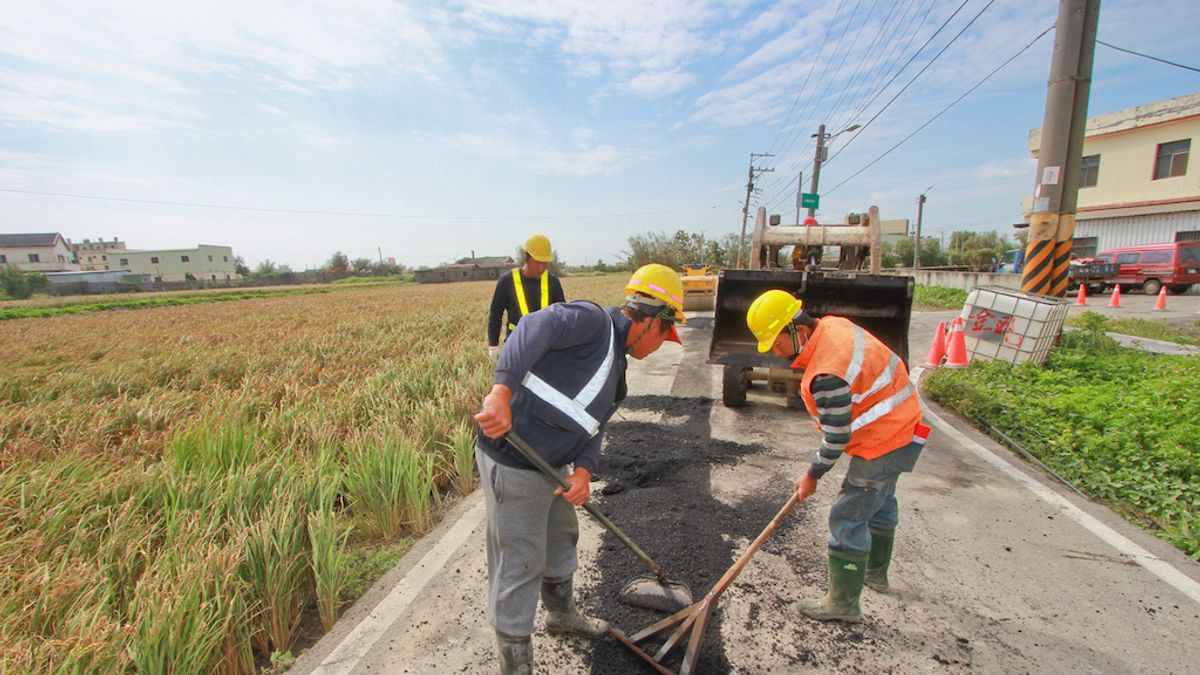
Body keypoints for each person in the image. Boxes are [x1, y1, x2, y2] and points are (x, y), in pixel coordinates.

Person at [473, 263, 686, 674]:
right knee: (520, 562)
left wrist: (584, 472)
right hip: (514, 458)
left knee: (562, 538)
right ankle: (515, 663)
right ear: (650, 319)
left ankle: (562, 615)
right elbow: (532, 326)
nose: (661, 346)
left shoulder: (618, 369)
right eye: (665, 334)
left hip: (553, 466)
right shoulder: (592, 322)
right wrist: (501, 391)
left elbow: (594, 425)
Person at [745, 289, 929, 623]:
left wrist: (811, 475)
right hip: (905, 426)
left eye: (775, 342)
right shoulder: (833, 326)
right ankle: (875, 575)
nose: (774, 351)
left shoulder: (827, 372)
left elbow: (836, 437)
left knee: (848, 515)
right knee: (881, 501)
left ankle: (843, 604)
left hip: (883, 439)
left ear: (798, 331)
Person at [487, 234, 566, 360]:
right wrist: (493, 345)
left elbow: (562, 315)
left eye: (545, 263)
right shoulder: (506, 281)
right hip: (516, 345)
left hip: (546, 347)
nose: (542, 267)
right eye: (538, 262)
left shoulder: (553, 282)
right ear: (526, 258)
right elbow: (495, 314)